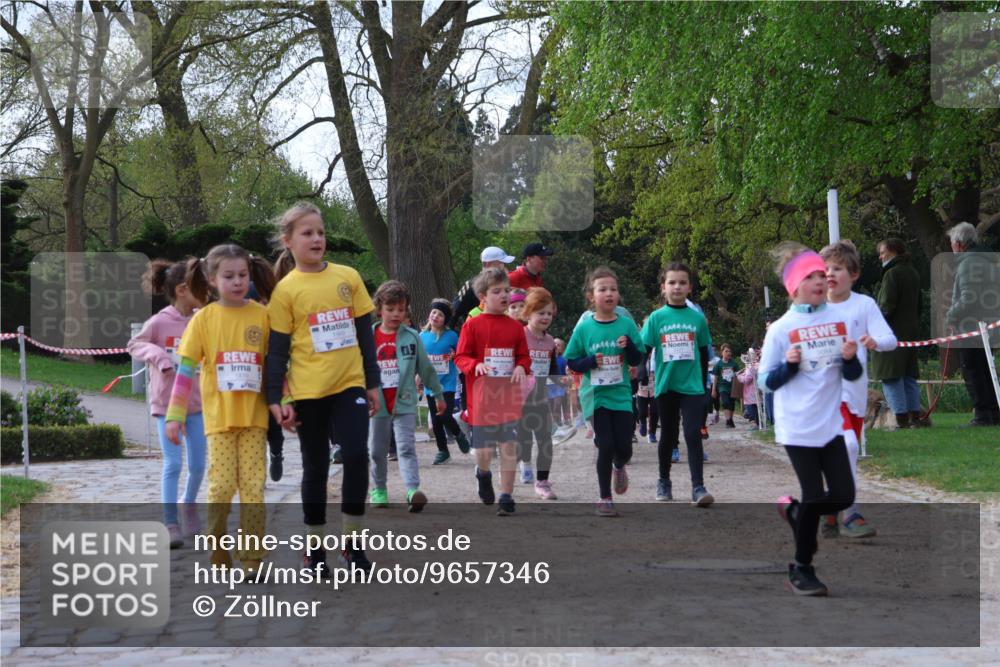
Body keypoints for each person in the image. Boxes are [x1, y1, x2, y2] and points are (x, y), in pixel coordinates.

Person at [266, 202, 381, 574]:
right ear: (288, 241)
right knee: (315, 467)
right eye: (307, 233)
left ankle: (352, 546)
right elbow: (277, 352)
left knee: (356, 456)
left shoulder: (348, 277)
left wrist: (373, 383)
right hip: (307, 393)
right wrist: (278, 399)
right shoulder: (285, 291)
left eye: (320, 232)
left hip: (350, 385)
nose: (317, 239)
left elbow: (366, 337)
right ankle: (314, 550)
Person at [164, 244, 275, 574]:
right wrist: (175, 416)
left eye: (242, 275)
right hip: (218, 422)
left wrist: (283, 401)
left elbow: (276, 366)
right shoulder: (203, 320)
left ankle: (252, 559)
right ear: (212, 280)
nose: (237, 282)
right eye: (229, 276)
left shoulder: (262, 316)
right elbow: (185, 372)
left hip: (254, 419)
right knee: (222, 487)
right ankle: (217, 545)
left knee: (253, 489)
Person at [759, 242, 858, 596]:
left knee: (843, 495)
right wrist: (788, 367)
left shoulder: (838, 321)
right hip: (797, 427)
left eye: (822, 274)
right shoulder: (781, 329)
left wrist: (851, 360)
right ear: (793, 287)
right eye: (811, 276)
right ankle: (802, 569)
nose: (820, 280)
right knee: (814, 495)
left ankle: (797, 513)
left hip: (829, 425)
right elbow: (765, 382)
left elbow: (852, 374)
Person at [128, 258, 206, 549]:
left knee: (198, 465)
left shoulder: (202, 319)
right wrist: (158, 356)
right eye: (200, 285)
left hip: (197, 404)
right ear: (183, 290)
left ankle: (189, 504)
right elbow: (134, 344)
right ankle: (170, 522)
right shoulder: (160, 321)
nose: (206, 290)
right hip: (165, 405)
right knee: (173, 464)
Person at [822, 239, 897, 539]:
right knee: (850, 446)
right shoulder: (811, 306)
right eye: (825, 269)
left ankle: (832, 506)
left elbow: (890, 339)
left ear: (853, 274)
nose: (830, 274)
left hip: (854, 394)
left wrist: (874, 341)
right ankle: (851, 513)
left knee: (846, 452)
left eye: (837, 269)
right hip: (823, 395)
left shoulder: (864, 305)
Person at [566, 267, 644, 516]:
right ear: (591, 296)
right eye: (602, 289)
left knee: (625, 447)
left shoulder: (626, 324)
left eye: (613, 289)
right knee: (606, 444)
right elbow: (571, 360)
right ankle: (604, 497)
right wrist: (589, 361)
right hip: (596, 395)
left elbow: (638, 358)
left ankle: (619, 466)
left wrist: (629, 346)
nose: (609, 293)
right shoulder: (584, 328)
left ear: (618, 294)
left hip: (620, 393)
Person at [454, 267, 531, 515]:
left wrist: (520, 366)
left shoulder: (515, 327)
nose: (504, 295)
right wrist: (475, 365)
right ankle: (483, 473)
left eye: (506, 290)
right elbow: (460, 357)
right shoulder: (472, 325)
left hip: (508, 398)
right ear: (483, 297)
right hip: (482, 399)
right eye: (497, 291)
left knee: (509, 447)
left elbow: (524, 356)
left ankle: (507, 496)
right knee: (485, 451)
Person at [367, 281, 446, 512]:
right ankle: (379, 489)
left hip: (405, 401)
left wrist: (438, 394)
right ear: (379, 309)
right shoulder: (369, 336)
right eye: (390, 309)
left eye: (401, 309)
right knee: (376, 450)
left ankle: (413, 490)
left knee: (406, 447)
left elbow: (426, 368)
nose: (396, 314)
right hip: (377, 403)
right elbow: (358, 368)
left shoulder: (412, 337)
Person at [641, 262, 714, 506]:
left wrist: (704, 387)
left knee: (693, 433)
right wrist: (641, 371)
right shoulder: (656, 318)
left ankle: (698, 487)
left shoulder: (697, 319)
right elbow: (645, 349)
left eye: (682, 282)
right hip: (667, 385)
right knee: (669, 434)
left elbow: (703, 354)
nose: (677, 287)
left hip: (692, 386)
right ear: (663, 287)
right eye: (672, 282)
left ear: (690, 287)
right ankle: (664, 480)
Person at [945, 222, 1000, 426]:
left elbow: (969, 297)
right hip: (988, 324)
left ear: (959, 244)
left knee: (972, 369)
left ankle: (983, 414)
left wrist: (951, 316)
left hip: (972, 325)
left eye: (952, 244)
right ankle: (993, 412)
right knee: (986, 369)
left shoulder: (968, 263)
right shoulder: (987, 260)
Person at [870, 238, 924, 428]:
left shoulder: (892, 274)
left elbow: (887, 305)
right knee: (909, 376)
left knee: (891, 376)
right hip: (910, 332)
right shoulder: (913, 272)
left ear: (893, 252)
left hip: (891, 333)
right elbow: (919, 306)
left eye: (882, 252)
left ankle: (900, 419)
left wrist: (873, 324)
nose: (880, 256)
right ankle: (915, 417)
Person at [518, 287, 560, 498]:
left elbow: (552, 368)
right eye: (540, 313)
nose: (545, 317)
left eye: (549, 313)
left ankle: (542, 481)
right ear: (528, 313)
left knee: (545, 440)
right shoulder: (519, 335)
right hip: (519, 398)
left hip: (540, 397)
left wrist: (559, 384)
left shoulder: (551, 341)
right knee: (524, 440)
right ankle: (525, 462)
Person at [420, 299, 471, 464]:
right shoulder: (422, 336)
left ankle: (458, 434)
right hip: (430, 384)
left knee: (445, 415)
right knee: (436, 420)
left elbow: (460, 353)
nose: (435, 316)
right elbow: (419, 359)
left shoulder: (451, 336)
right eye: (434, 312)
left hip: (447, 383)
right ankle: (443, 451)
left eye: (440, 315)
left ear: (445, 320)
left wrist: (454, 355)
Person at [450, 246, 516, 329]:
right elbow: (454, 311)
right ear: (488, 264)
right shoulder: (471, 285)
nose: (504, 267)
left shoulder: (506, 284)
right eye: (501, 263)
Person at [712, 344, 742, 428]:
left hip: (732, 387)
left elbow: (738, 374)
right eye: (726, 351)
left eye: (729, 351)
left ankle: (730, 420)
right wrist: (713, 390)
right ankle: (728, 421)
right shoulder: (718, 364)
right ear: (722, 352)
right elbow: (715, 378)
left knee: (732, 404)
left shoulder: (733, 363)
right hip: (722, 387)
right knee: (726, 402)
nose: (728, 353)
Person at [737, 350, 760, 430]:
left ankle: (757, 424)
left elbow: (747, 379)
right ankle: (757, 424)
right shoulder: (755, 365)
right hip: (754, 391)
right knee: (755, 408)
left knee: (752, 409)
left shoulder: (752, 366)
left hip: (751, 392)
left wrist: (739, 377)